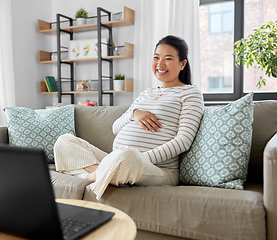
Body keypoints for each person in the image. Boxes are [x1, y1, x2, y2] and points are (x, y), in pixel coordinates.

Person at [54, 35, 204, 200]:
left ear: (183, 64)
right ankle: (105, 173)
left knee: (127, 156)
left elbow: (183, 141)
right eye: (156, 57)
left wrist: (140, 158)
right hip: (118, 159)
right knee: (64, 141)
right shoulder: (147, 93)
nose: (160, 64)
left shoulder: (190, 93)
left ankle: (87, 177)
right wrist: (134, 114)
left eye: (168, 59)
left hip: (157, 169)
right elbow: (115, 127)